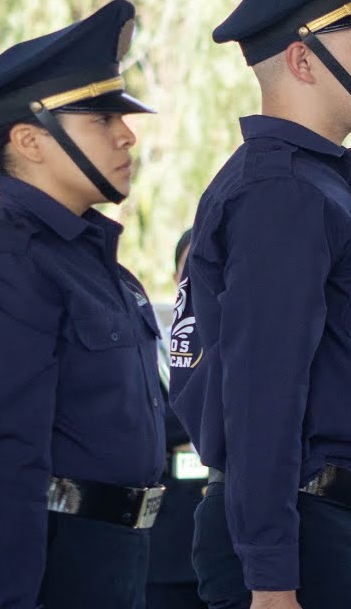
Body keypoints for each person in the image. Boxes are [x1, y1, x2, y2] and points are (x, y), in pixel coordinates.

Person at [170, 0, 351, 609]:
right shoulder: (284, 193)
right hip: (299, 539)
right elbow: (262, 397)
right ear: (304, 63)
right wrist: (272, 578)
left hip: (342, 529)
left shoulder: (321, 190)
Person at [0, 0, 164, 609]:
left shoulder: (86, 257)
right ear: (30, 141)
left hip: (116, 560)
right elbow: (0, 469)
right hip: (57, 569)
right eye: (100, 120)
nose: (127, 134)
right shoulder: (8, 271)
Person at [147, 227, 209, 609]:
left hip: (231, 543)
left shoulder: (246, 346)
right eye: (192, 267)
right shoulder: (150, 345)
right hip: (165, 546)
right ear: (175, 278)